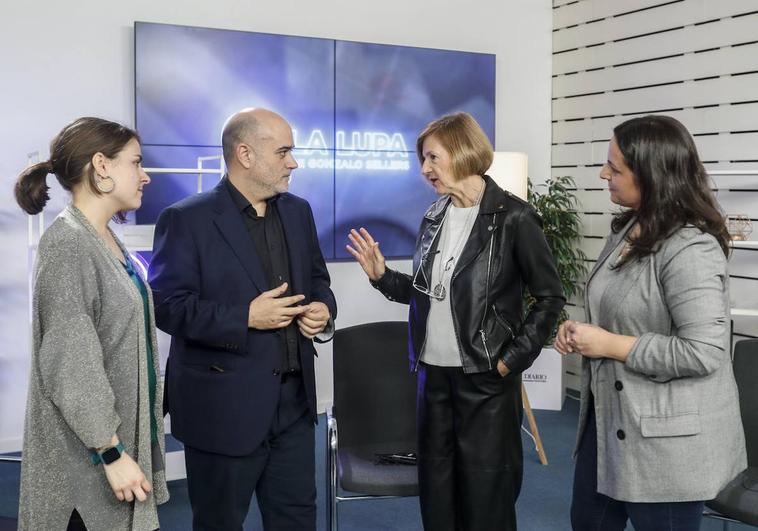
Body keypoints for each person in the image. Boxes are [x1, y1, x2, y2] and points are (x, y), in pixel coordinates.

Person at [347, 112, 564, 531]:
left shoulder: (515, 218)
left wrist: (511, 358)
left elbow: (550, 297)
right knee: (438, 493)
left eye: (433, 157)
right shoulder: (434, 216)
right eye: (422, 160)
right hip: (433, 379)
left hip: (486, 379)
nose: (424, 169)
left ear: (463, 152)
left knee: (486, 498)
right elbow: (428, 293)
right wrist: (381, 277)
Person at [554, 115, 747, 531]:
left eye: (615, 167)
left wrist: (608, 344)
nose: (603, 173)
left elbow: (704, 352)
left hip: (667, 444)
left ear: (652, 175)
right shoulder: (627, 228)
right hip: (607, 425)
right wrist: (579, 332)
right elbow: (618, 309)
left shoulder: (691, 246)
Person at [149, 107, 336, 531]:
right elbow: (165, 305)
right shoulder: (186, 219)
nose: (294, 162)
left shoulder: (298, 211)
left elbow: (319, 282)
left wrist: (323, 311)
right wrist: (245, 317)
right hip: (222, 409)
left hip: (293, 406)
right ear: (245, 154)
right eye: (284, 152)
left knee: (296, 520)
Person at [14, 117, 168, 531]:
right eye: (136, 163)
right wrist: (112, 453)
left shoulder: (104, 239)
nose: (145, 176)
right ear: (102, 166)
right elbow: (71, 363)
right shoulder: (68, 243)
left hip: (109, 453)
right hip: (86, 466)